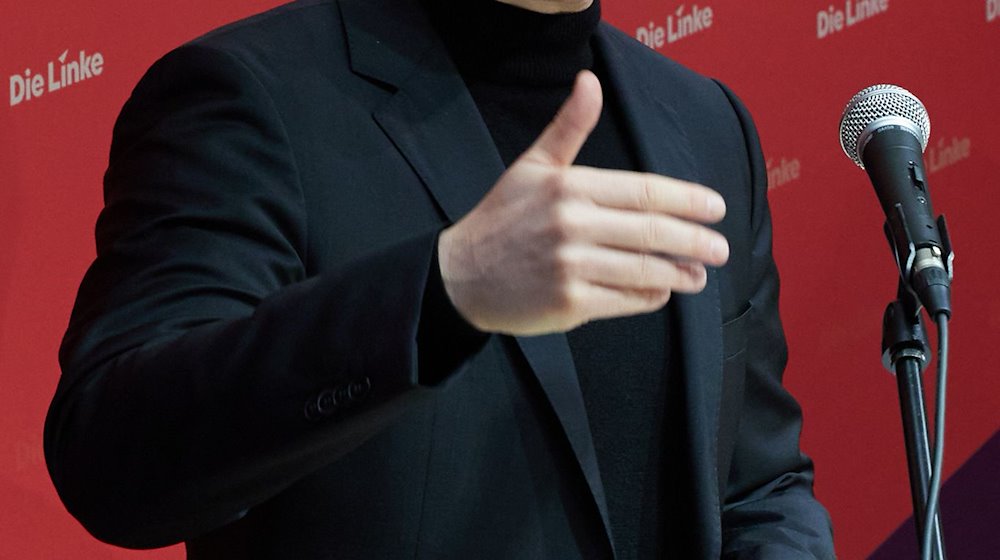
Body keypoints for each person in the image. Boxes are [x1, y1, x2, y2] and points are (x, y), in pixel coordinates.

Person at [44, 0, 836, 557]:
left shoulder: (703, 119)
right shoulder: (249, 93)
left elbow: (758, 485)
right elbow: (113, 456)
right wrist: (447, 290)